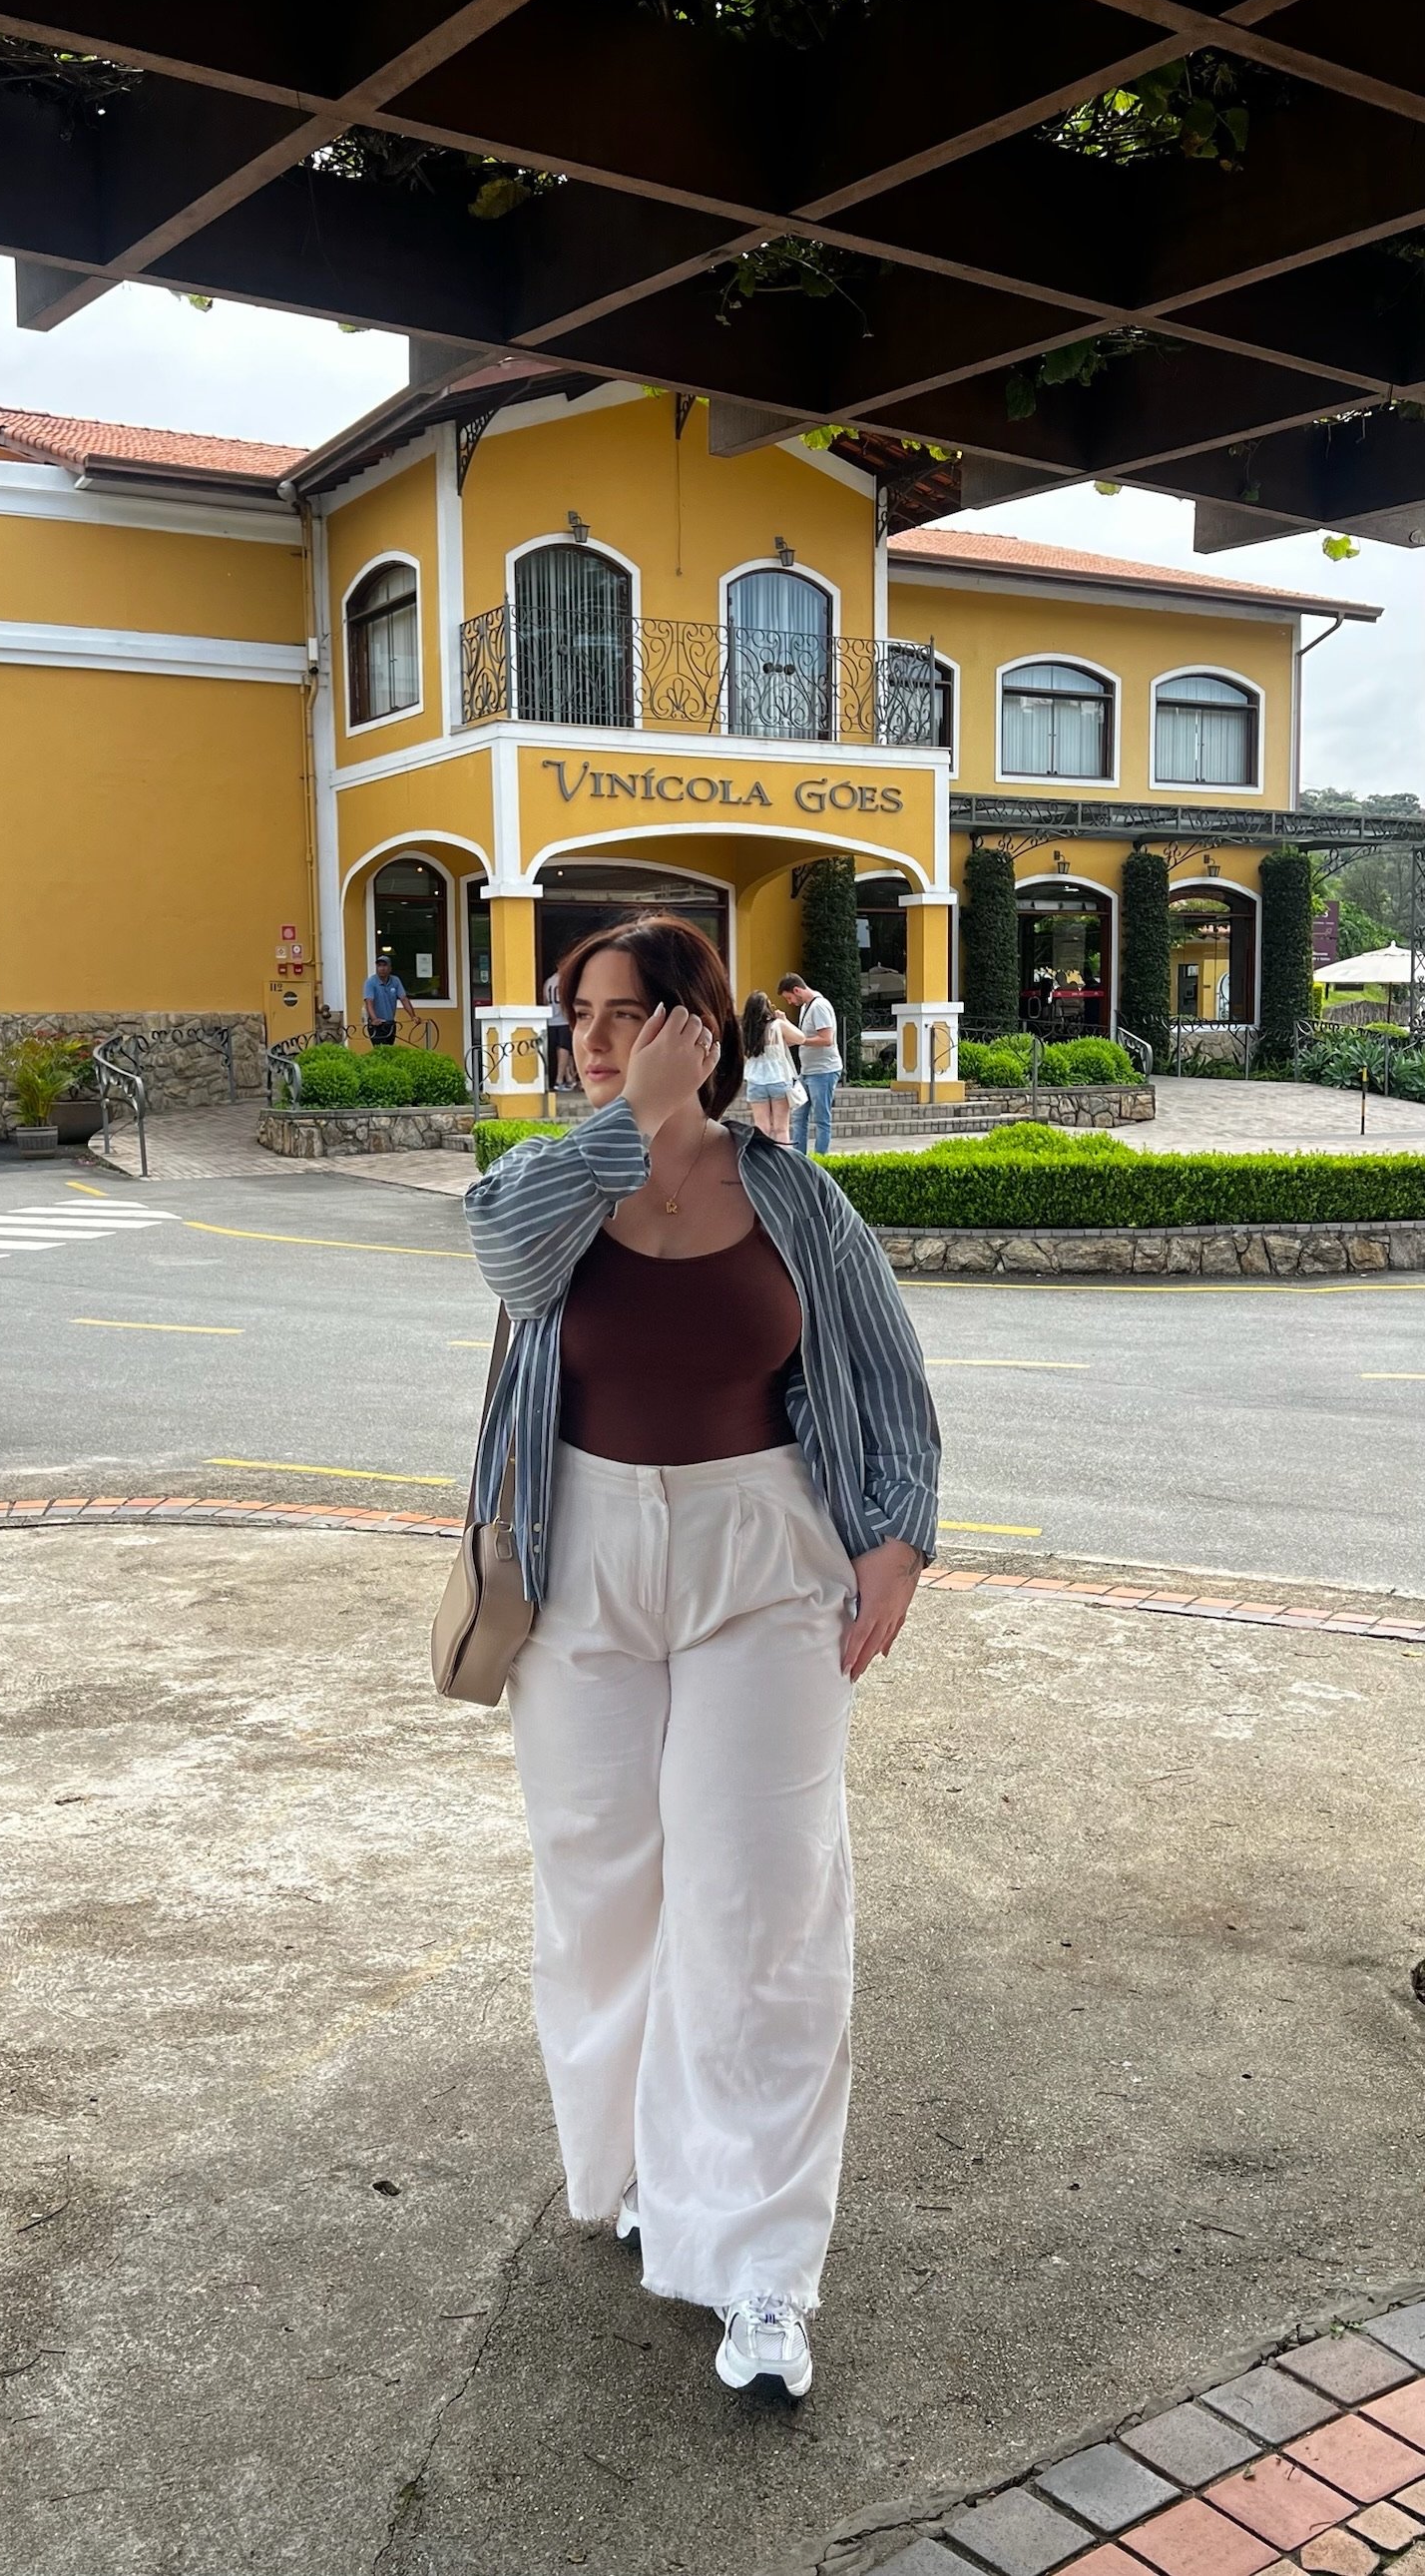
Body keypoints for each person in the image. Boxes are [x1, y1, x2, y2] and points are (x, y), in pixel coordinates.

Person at [463, 915, 939, 2401]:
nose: (598, 1040)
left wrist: (897, 1535)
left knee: (762, 1903)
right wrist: (632, 1123)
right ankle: (627, 2170)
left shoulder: (792, 1193)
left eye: (633, 1013)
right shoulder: (553, 1183)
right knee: (599, 1883)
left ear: (701, 1025)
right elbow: (502, 1252)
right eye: (582, 1018)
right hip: (582, 1555)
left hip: (763, 1557)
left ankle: (760, 2263)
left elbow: (884, 1369)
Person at [777, 972, 841, 1157]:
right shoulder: (806, 1007)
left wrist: (802, 1040)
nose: (790, 1002)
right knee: (799, 1117)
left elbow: (827, 1039)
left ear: (797, 990)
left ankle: (821, 1160)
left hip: (823, 1071)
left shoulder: (819, 1006)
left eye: (789, 998)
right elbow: (801, 1036)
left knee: (821, 1119)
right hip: (807, 1071)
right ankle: (799, 1160)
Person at [739, 988, 796, 1144]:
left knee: (762, 1128)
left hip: (755, 1081)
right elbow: (801, 1038)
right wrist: (784, 1020)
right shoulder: (777, 1025)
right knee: (781, 1129)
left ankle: (764, 1158)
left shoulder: (745, 1030)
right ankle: (783, 1158)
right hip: (778, 1079)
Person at [362, 951, 415, 1047]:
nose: (382, 968)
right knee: (381, 1050)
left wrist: (413, 1016)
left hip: (390, 1022)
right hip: (377, 1024)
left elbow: (404, 999)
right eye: (379, 966)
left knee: (390, 1049)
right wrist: (374, 1019)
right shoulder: (371, 982)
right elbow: (369, 1002)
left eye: (385, 965)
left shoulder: (395, 981)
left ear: (390, 968)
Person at [544, 967, 579, 1089]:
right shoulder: (565, 981)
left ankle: (569, 1078)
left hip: (551, 1020)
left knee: (560, 1049)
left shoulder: (548, 981)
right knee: (564, 1048)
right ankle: (559, 1080)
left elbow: (544, 1000)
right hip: (563, 1019)